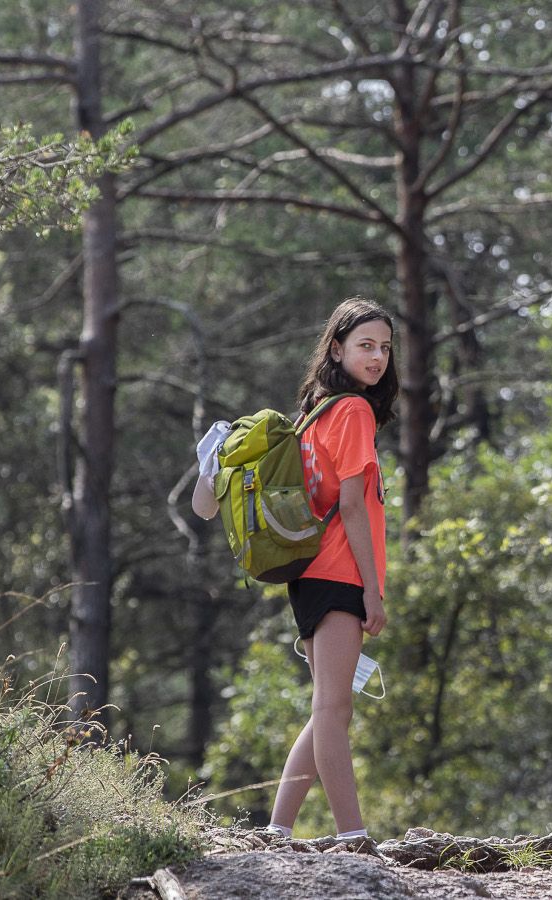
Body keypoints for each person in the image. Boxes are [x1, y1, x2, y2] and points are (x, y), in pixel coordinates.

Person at [193, 297, 397, 842]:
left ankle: (278, 829)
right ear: (337, 348)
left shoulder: (313, 415)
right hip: (339, 574)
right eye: (365, 346)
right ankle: (353, 836)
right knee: (334, 709)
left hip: (309, 576)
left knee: (327, 707)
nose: (377, 358)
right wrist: (373, 591)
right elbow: (352, 505)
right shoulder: (352, 411)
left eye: (384, 348)